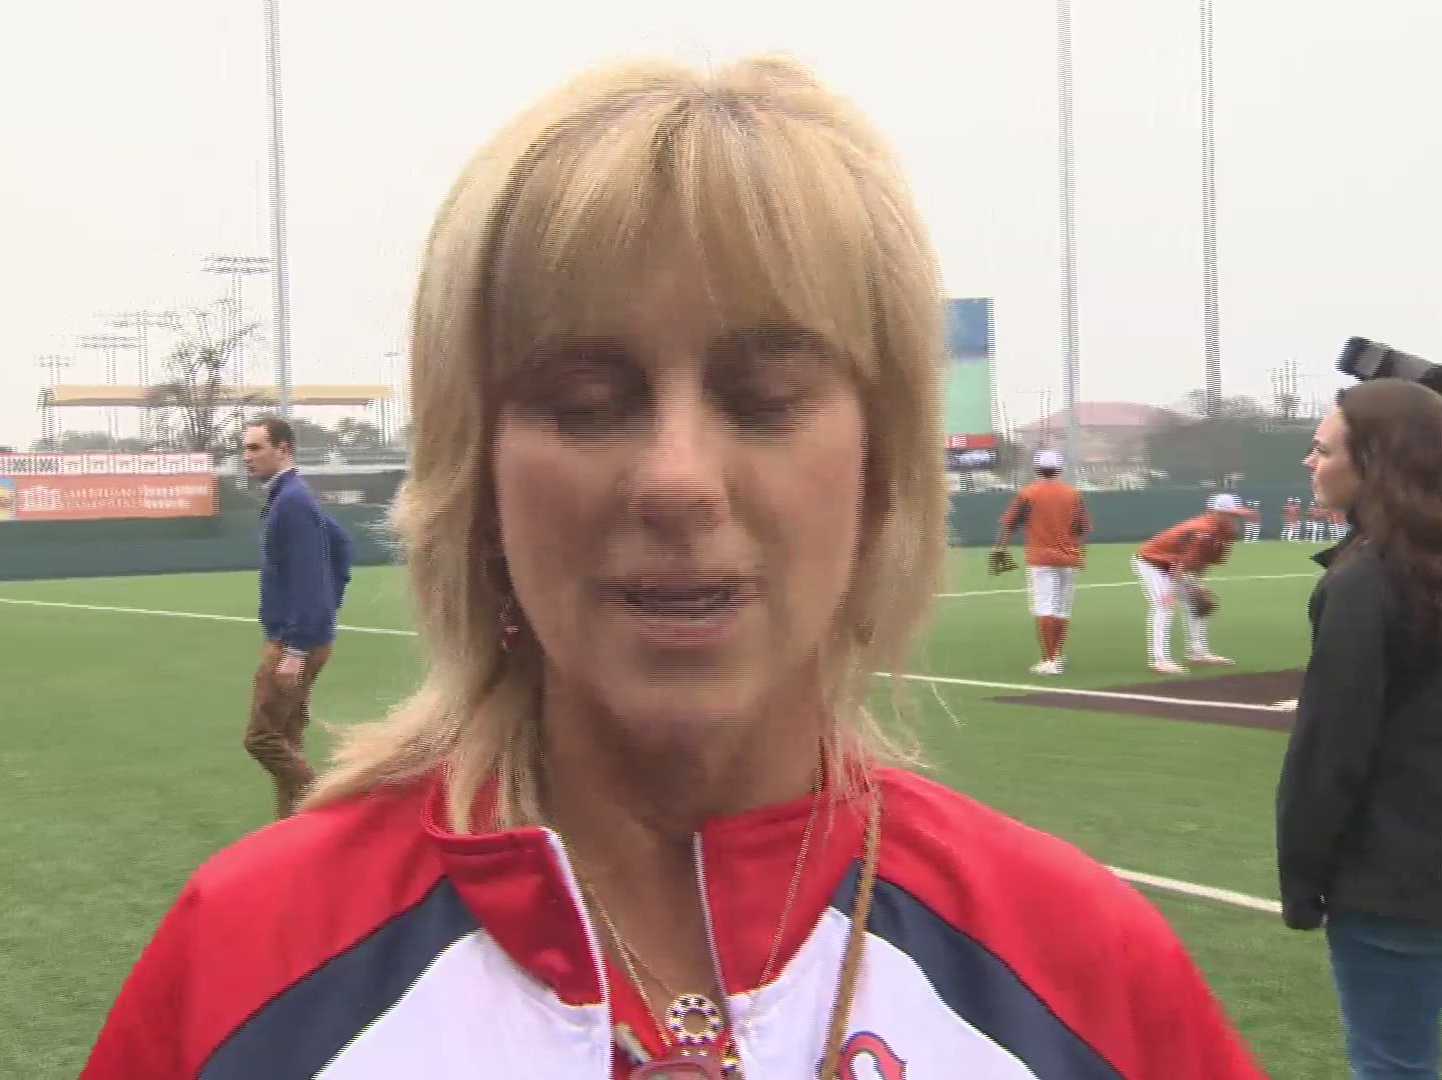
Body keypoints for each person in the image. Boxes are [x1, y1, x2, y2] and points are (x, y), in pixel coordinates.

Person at [81, 55, 1266, 1079]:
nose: (677, 479)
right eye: (585, 402)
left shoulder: (1089, 974)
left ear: (881, 466)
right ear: (475, 476)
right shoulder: (245, 967)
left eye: (767, 398)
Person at [1278, 379, 1442, 1080]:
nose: (1310, 464)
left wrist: (1302, 879)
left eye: (1322, 450)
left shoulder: (1365, 583)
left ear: (1371, 462)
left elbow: (1330, 753)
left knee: (1392, 1067)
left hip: (1394, 884)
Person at [239, 416, 354, 819]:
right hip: (302, 637)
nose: (246, 457)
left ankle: (333, 809)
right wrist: (326, 612)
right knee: (287, 738)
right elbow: (342, 549)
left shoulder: (292, 502)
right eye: (245, 448)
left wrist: (300, 646)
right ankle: (295, 833)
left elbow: (310, 573)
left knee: (262, 738)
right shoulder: (292, 498)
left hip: (292, 643)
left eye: (256, 448)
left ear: (283, 449)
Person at [992, 448, 1091, 675]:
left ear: (1037, 468)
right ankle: (1057, 655)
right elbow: (1082, 529)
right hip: (1069, 558)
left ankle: (1050, 660)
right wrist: (1081, 555)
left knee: (1045, 607)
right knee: (1062, 609)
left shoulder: (1028, 493)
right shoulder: (1073, 494)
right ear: (1060, 468)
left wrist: (999, 550)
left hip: (1041, 559)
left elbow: (1009, 524)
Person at [1133, 493, 1256, 674]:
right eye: (1229, 514)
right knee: (1164, 606)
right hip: (1153, 562)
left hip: (1175, 563)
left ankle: (1197, 652)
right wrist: (1170, 591)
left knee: (1198, 603)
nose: (1234, 518)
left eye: (1236, 514)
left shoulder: (1227, 532)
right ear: (1216, 513)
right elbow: (1181, 562)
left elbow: (1203, 561)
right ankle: (1159, 659)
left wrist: (1198, 585)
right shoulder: (1201, 529)